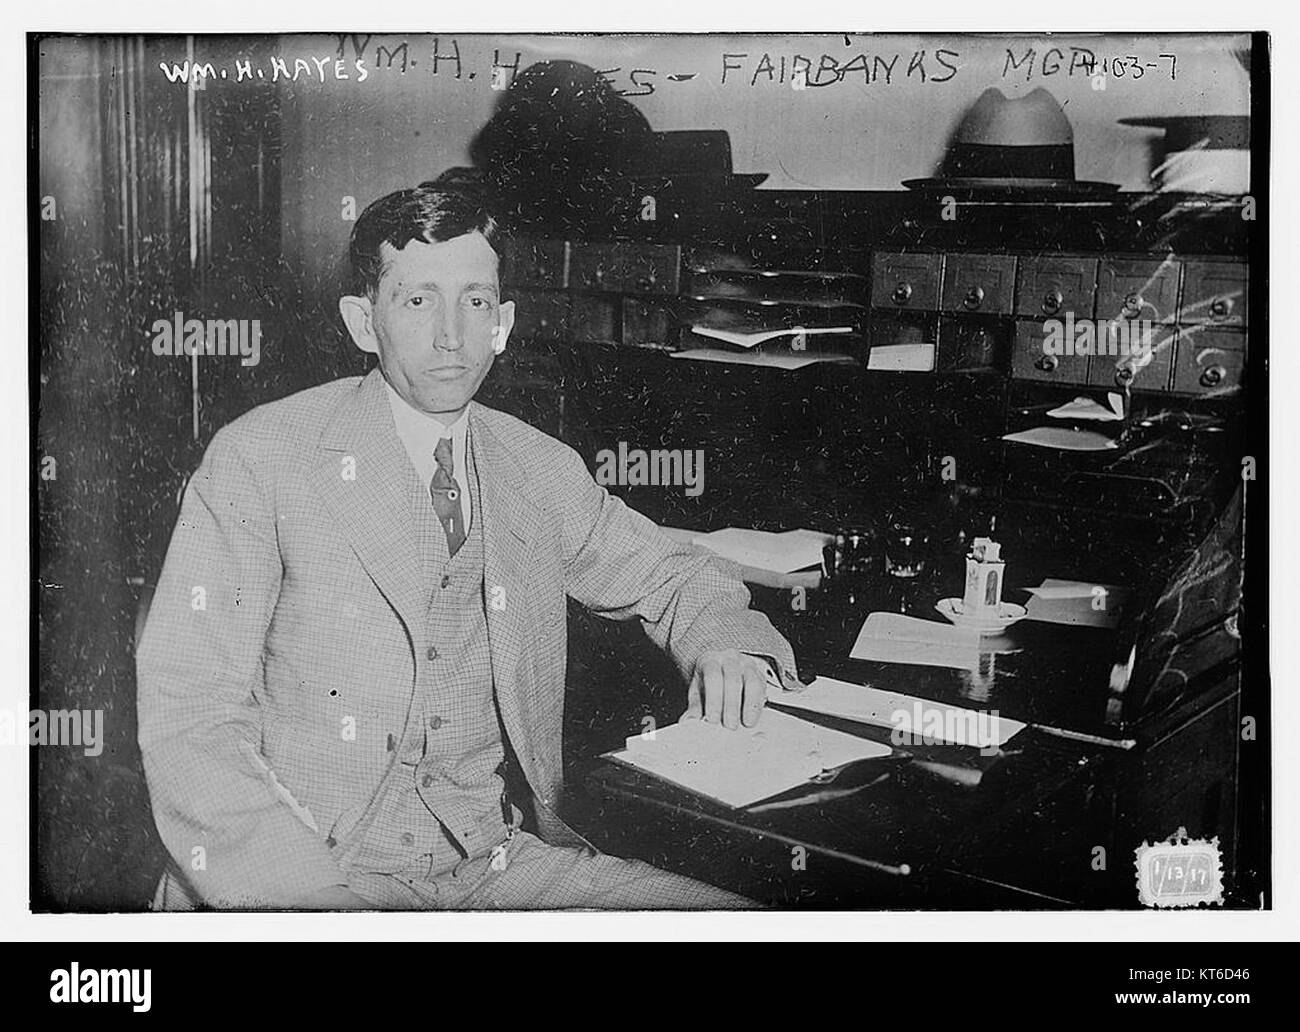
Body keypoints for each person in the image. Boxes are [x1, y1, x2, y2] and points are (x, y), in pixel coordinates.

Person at [136, 171, 801, 910]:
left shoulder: (537, 469)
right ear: (363, 323)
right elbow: (191, 723)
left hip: (492, 869)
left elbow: (678, 573)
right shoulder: (262, 457)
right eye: (418, 301)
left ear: (504, 323)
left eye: (475, 302)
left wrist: (726, 644)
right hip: (312, 877)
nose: (452, 335)